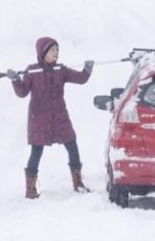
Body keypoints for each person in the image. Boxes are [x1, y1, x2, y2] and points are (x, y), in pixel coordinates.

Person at [7, 36, 94, 199]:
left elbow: (80, 79)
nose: (56, 53)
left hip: (60, 115)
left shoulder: (61, 70)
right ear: (43, 53)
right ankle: (30, 190)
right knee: (36, 152)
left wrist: (87, 70)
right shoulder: (32, 71)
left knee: (72, 146)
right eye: (53, 50)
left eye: (57, 50)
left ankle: (78, 183)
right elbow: (22, 92)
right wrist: (15, 80)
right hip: (39, 118)